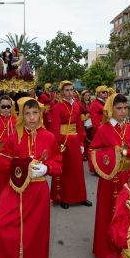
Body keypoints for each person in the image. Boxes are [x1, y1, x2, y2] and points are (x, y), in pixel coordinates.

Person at [0, 97, 62, 258]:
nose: (32, 117)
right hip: (15, 190)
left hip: (38, 192)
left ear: (40, 114)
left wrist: (47, 169)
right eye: (27, 113)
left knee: (36, 233)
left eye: (35, 113)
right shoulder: (13, 137)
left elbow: (58, 163)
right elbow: (0, 162)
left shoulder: (49, 137)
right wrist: (21, 166)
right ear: (21, 115)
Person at [89, 94, 130, 258]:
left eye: (125, 108)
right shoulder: (103, 130)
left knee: (126, 212)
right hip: (109, 179)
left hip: (127, 177)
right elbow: (93, 152)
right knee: (109, 213)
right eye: (119, 108)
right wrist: (114, 153)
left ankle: (124, 245)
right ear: (111, 109)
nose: (123, 111)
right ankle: (108, 249)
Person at [50, 80, 92, 209]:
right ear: (62, 92)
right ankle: (64, 197)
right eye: (67, 90)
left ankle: (81, 197)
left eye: (72, 90)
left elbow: (79, 125)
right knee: (66, 170)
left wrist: (81, 142)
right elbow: (55, 127)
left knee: (78, 170)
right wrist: (57, 143)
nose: (70, 93)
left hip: (75, 141)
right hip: (64, 141)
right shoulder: (57, 107)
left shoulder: (77, 106)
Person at [78, 90, 92, 160]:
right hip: (82, 123)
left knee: (89, 139)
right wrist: (86, 117)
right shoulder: (79, 104)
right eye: (86, 95)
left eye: (88, 95)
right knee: (83, 139)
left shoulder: (90, 103)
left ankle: (88, 154)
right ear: (82, 96)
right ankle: (83, 155)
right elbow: (79, 115)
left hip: (90, 124)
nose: (87, 97)